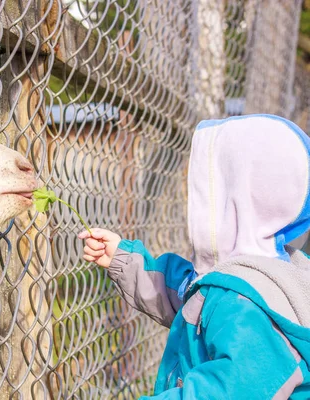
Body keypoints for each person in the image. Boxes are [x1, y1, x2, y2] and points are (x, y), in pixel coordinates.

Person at [79, 115, 310, 399]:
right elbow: (188, 294)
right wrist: (125, 261)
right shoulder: (258, 275)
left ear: (233, 198)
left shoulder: (248, 308)